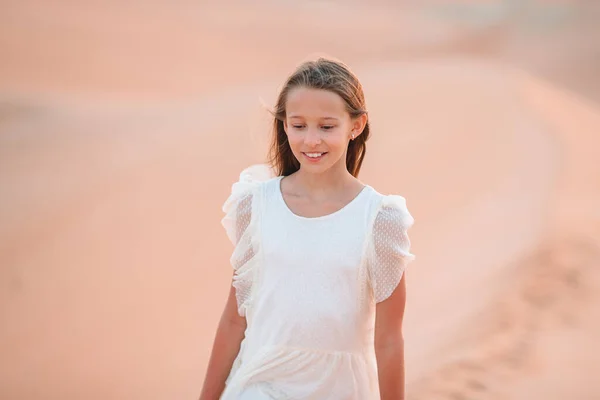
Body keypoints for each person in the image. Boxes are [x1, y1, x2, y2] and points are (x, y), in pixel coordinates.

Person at [199, 57, 415, 400]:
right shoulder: (255, 206)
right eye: (298, 125)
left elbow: (388, 340)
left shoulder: (379, 220)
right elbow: (234, 320)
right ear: (284, 125)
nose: (311, 140)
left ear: (356, 126)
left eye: (327, 127)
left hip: (340, 389)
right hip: (258, 384)